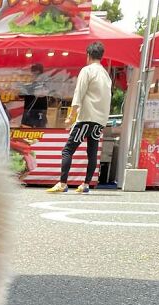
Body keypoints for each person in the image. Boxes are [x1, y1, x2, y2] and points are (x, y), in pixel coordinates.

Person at [47, 41, 111, 195]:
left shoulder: (87, 70)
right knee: (92, 153)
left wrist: (71, 116)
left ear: (88, 55)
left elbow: (79, 93)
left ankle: (62, 183)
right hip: (100, 119)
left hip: (86, 117)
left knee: (67, 151)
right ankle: (86, 184)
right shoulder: (105, 74)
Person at [21, 63, 48, 129]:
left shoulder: (44, 85)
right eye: (34, 73)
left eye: (37, 73)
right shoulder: (28, 85)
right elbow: (21, 95)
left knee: (40, 130)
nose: (35, 75)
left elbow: (45, 94)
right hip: (29, 112)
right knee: (26, 132)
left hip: (39, 111)